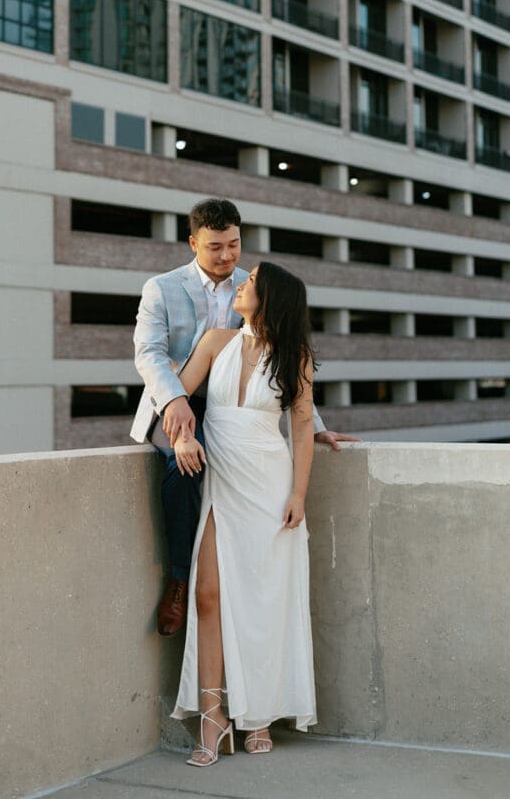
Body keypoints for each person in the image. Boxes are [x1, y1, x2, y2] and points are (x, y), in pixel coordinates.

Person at [130, 198, 356, 637]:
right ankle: (179, 578)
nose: (228, 256)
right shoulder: (161, 288)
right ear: (194, 242)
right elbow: (149, 354)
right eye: (215, 247)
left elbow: (282, 362)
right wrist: (175, 401)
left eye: (234, 245)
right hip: (178, 397)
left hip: (235, 406)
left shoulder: (253, 286)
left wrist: (317, 427)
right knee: (182, 469)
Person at [170, 262, 318, 764]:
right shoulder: (215, 341)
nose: (242, 285)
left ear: (270, 297)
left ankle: (259, 715)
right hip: (221, 483)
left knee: (267, 603)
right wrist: (184, 434)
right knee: (207, 594)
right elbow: (179, 396)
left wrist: (298, 494)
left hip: (271, 489)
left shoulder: (294, 358)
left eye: (251, 281)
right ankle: (213, 719)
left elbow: (300, 429)